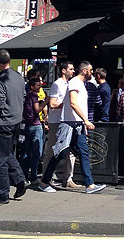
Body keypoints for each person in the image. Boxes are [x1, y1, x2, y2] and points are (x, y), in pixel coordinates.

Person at [36, 61, 106, 194]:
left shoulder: (80, 84)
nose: (92, 73)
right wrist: (85, 120)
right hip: (69, 123)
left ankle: (89, 185)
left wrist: (82, 122)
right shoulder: (74, 83)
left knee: (83, 152)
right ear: (85, 71)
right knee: (60, 153)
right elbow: (73, 103)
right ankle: (44, 182)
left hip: (76, 124)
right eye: (91, 70)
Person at [0, 49, 27, 203]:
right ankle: (20, 181)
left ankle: (3, 193)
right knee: (8, 153)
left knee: (0, 159)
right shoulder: (19, 77)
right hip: (16, 120)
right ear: (10, 61)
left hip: (4, 122)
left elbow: (0, 103)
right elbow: (23, 96)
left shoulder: (0, 81)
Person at [42, 60, 78, 189]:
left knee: (70, 151)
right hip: (56, 121)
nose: (73, 71)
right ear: (63, 70)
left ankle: (68, 178)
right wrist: (66, 104)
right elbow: (52, 104)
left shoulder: (71, 84)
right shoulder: (57, 84)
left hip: (68, 121)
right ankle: (46, 178)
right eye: (71, 69)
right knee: (52, 150)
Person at [20, 75, 47, 184]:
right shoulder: (34, 96)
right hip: (35, 125)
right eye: (37, 85)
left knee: (27, 151)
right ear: (32, 86)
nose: (39, 87)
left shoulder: (27, 96)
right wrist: (45, 102)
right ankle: (34, 176)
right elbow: (37, 109)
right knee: (36, 152)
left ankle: (24, 174)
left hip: (28, 125)